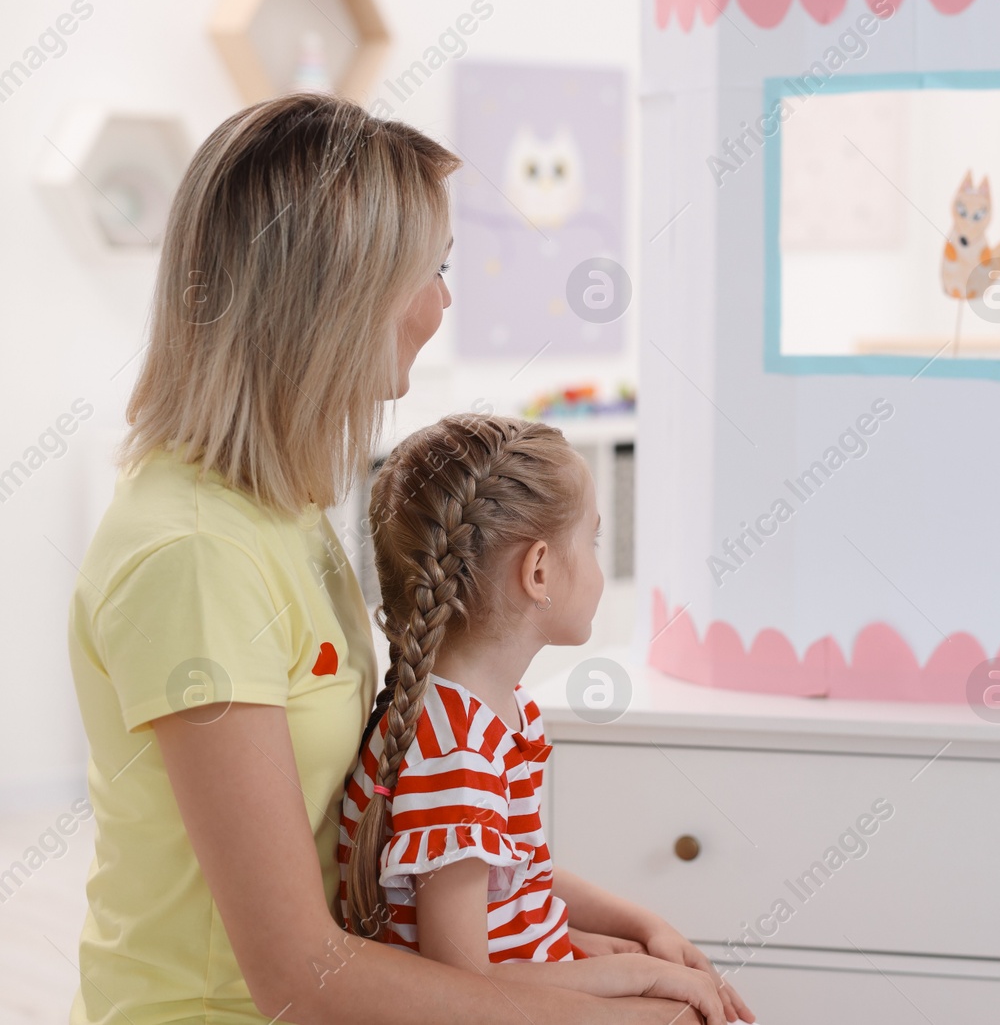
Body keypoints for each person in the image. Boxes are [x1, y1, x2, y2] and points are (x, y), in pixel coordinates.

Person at [66, 92, 703, 1024]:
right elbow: (300, 975)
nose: (443, 304)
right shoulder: (196, 558)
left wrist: (597, 937)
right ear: (337, 295)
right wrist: (617, 1011)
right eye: (431, 271)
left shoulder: (284, 510)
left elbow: (397, 836)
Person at [339, 414, 755, 1025]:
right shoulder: (457, 752)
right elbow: (462, 982)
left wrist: (640, 927)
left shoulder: (483, 713)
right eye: (591, 541)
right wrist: (637, 973)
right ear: (537, 572)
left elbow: (517, 871)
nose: (597, 564)